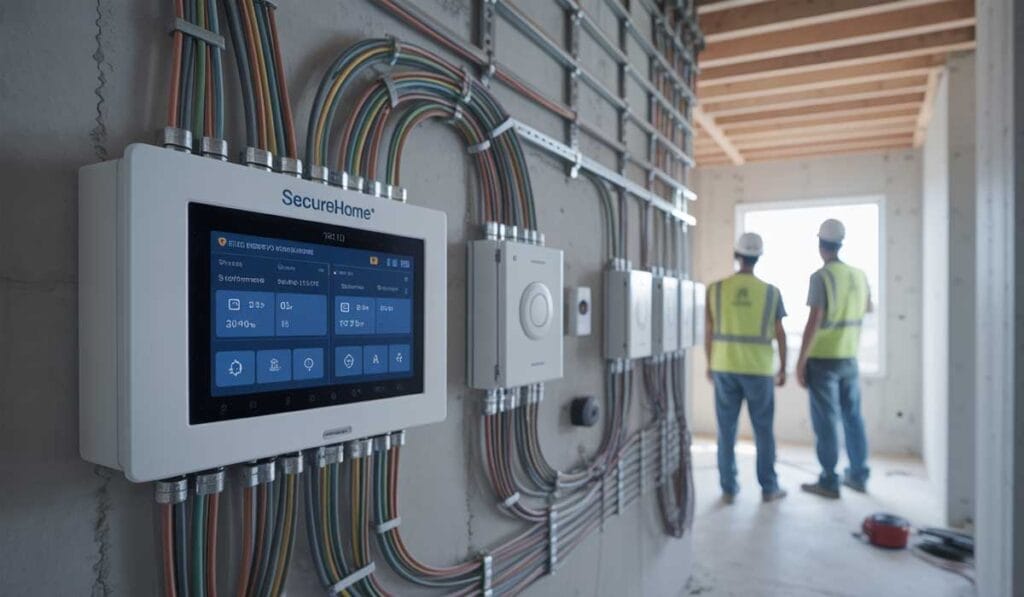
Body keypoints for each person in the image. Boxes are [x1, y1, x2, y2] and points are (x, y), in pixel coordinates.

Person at [705, 232, 788, 504]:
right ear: (759, 257)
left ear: (736, 255)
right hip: (759, 370)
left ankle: (728, 487)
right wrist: (783, 368)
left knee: (726, 431)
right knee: (763, 432)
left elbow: (709, 330)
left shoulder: (715, 290)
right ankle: (769, 487)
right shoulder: (771, 292)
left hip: (724, 367)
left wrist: (710, 364)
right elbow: (780, 333)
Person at [797, 219, 873, 499]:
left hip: (823, 359)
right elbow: (869, 307)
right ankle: (858, 474)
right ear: (840, 244)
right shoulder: (859, 275)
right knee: (853, 417)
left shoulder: (821, 277)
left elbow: (814, 320)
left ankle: (829, 481)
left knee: (827, 422)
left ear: (821, 246)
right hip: (849, 358)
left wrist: (800, 361)